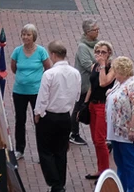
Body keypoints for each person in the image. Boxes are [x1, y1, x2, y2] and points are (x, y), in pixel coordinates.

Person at [34, 41, 81, 192]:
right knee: (61, 150)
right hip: (65, 116)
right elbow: (77, 95)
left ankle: (55, 183)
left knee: (46, 150)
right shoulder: (75, 73)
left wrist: (38, 113)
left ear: (53, 55)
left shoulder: (49, 74)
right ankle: (61, 181)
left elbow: (43, 97)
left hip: (49, 116)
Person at [9, 24, 47, 157]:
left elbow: (48, 69)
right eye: (23, 34)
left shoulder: (41, 51)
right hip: (19, 91)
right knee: (20, 119)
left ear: (34, 36)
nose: (25, 37)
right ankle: (19, 149)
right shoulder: (17, 51)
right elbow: (14, 68)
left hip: (36, 92)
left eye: (28, 34)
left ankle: (42, 151)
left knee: (39, 120)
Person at [107, 57, 134, 192]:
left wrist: (132, 129)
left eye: (114, 69)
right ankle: (121, 187)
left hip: (125, 132)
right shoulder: (119, 83)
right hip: (115, 131)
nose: (113, 72)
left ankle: (132, 189)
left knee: (129, 163)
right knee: (120, 162)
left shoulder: (132, 84)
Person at [83, 41, 115, 180]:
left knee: (100, 139)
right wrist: (84, 104)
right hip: (92, 105)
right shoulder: (94, 66)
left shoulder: (111, 67)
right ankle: (100, 169)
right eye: (98, 52)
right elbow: (92, 86)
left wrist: (102, 65)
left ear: (109, 54)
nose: (100, 55)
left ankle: (105, 172)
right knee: (95, 140)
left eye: (103, 52)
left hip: (103, 105)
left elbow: (103, 83)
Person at [70, 21, 101, 146]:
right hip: (85, 84)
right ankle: (73, 133)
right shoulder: (82, 47)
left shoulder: (97, 44)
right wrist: (102, 67)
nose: (97, 31)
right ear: (87, 33)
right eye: (95, 29)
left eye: (98, 29)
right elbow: (87, 65)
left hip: (94, 83)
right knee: (79, 107)